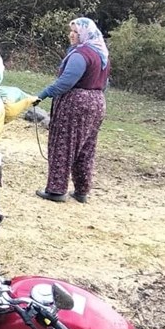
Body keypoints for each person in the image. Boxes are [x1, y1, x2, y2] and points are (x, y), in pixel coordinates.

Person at [35, 17, 111, 205]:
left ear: (85, 33)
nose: (71, 35)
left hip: (76, 104)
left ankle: (56, 190)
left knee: (64, 145)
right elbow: (105, 83)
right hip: (97, 102)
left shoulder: (81, 55)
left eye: (76, 32)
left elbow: (66, 82)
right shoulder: (101, 54)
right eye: (71, 31)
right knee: (86, 148)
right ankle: (82, 191)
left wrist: (43, 94)